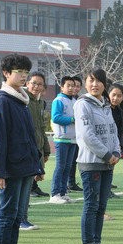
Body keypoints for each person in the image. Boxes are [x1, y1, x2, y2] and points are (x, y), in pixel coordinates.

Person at [0, 54, 42, 244]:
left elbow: (30, 136)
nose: (23, 76)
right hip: (11, 168)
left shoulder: (22, 99)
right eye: (18, 72)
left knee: (17, 216)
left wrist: (37, 166)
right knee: (7, 215)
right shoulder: (3, 100)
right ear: (6, 73)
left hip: (25, 167)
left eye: (25, 72)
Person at [74, 69, 120, 244]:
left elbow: (113, 131)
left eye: (99, 81)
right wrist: (107, 154)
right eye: (91, 81)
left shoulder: (105, 104)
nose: (95, 84)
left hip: (108, 163)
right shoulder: (82, 104)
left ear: (104, 84)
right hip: (91, 162)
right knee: (91, 205)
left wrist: (116, 151)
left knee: (101, 205)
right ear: (85, 83)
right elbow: (87, 135)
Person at [50, 76, 78, 204]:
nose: (71, 88)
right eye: (68, 85)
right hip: (61, 139)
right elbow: (56, 118)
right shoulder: (58, 100)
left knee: (67, 167)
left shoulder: (74, 100)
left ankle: (63, 192)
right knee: (60, 167)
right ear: (62, 87)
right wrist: (72, 120)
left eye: (73, 85)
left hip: (72, 139)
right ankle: (54, 194)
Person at [26, 72, 51, 199]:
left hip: (38, 143)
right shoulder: (24, 100)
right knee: (27, 174)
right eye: (33, 83)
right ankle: (28, 193)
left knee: (37, 171)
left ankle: (33, 187)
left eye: (40, 84)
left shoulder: (40, 102)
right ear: (27, 84)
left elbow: (41, 127)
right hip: (27, 145)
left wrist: (46, 149)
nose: (36, 86)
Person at [108, 83, 123, 199]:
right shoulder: (104, 109)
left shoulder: (121, 111)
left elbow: (120, 130)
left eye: (119, 96)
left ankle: (107, 189)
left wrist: (120, 145)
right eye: (113, 95)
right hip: (103, 143)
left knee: (111, 167)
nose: (116, 98)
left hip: (114, 144)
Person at [67, 76, 84, 193]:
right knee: (67, 162)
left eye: (77, 86)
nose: (75, 88)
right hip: (68, 136)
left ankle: (71, 182)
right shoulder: (65, 100)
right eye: (73, 86)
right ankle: (68, 183)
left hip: (78, 136)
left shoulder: (79, 100)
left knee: (75, 160)